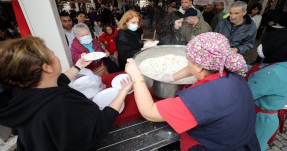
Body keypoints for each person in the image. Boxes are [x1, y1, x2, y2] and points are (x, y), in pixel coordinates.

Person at [123, 32, 260, 151]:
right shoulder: (231, 74)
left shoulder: (201, 98)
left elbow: (150, 112)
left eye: (188, 61)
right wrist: (172, 77)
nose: (188, 63)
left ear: (199, 66)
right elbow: (198, 66)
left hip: (212, 147)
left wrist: (137, 78)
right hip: (241, 141)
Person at [0, 36, 128, 151]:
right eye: (53, 54)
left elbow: (58, 80)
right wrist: (122, 93)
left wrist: (78, 66)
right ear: (47, 68)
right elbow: (99, 126)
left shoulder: (23, 93)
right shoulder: (61, 104)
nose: (56, 57)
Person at [245, 29, 287, 150]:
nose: (259, 46)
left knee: (249, 146)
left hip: (259, 119)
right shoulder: (282, 64)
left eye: (264, 43)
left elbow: (244, 94)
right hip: (269, 118)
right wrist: (242, 65)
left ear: (276, 46)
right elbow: (259, 70)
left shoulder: (272, 73)